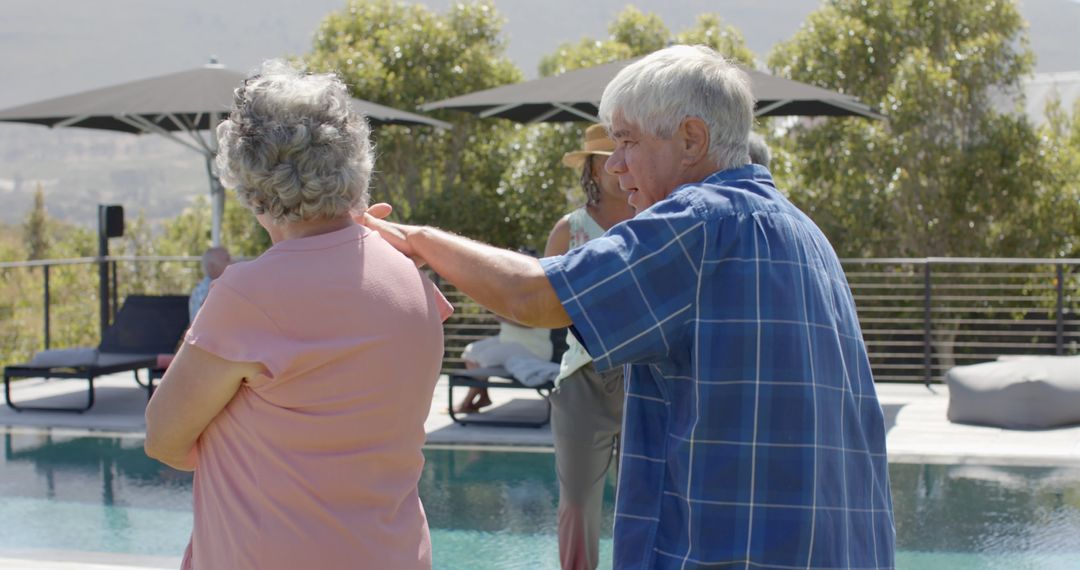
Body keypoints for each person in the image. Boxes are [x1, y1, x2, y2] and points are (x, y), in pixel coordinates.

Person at [361, 44, 895, 569]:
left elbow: (536, 296)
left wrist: (416, 239)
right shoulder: (802, 230)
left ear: (691, 138)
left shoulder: (699, 222)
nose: (614, 167)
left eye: (627, 141)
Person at [145, 60, 452, 570]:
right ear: (353, 164)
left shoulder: (247, 295)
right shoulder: (411, 280)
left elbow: (164, 437)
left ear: (251, 184)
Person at [546, 124, 633, 570]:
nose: (618, 163)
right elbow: (544, 307)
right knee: (578, 504)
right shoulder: (570, 230)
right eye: (606, 156)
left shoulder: (656, 223)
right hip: (582, 379)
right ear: (592, 170)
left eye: (623, 151)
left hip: (647, 376)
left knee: (646, 501)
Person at [454, 315, 552, 413]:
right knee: (470, 352)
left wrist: (505, 318)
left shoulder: (538, 300)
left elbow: (530, 323)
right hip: (506, 339)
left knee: (481, 359)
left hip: (532, 348)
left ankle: (466, 402)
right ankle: (484, 397)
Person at [187, 246, 231, 322]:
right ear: (212, 267)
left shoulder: (220, 287)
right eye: (227, 259)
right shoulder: (205, 291)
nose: (233, 262)